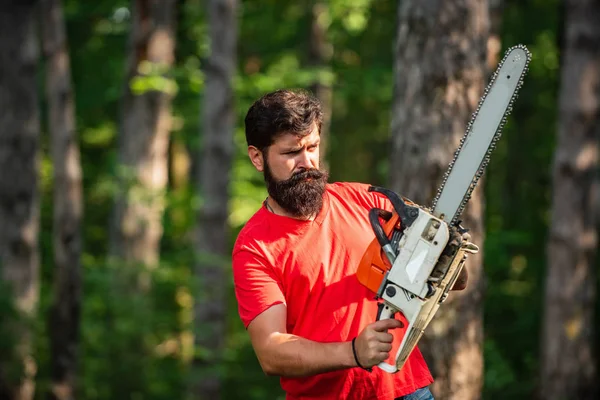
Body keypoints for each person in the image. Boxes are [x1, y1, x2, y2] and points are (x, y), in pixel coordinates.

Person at [232, 89, 468, 400]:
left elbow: (458, 281)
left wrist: (446, 253)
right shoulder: (255, 246)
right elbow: (271, 351)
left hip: (406, 391)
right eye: (291, 153)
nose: (306, 162)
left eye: (312, 147)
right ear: (257, 157)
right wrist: (353, 352)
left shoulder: (368, 200)